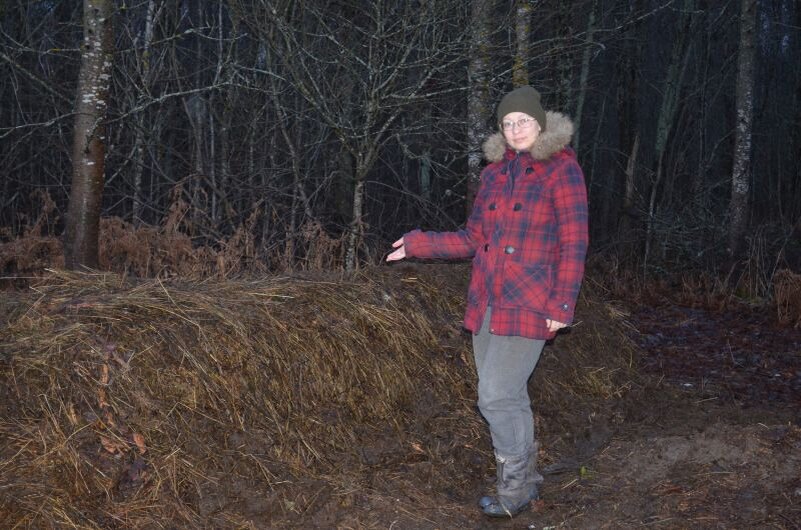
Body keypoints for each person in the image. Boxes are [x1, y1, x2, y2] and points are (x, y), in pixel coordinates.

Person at [386, 85, 589, 518]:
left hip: (532, 300)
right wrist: (419, 244)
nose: (516, 129)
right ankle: (526, 479)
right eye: (507, 123)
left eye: (523, 121)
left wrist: (562, 307)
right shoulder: (494, 175)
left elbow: (574, 243)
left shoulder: (562, 170)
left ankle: (514, 489)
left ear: (540, 124)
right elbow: (472, 237)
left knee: (495, 396)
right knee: (508, 395)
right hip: (488, 299)